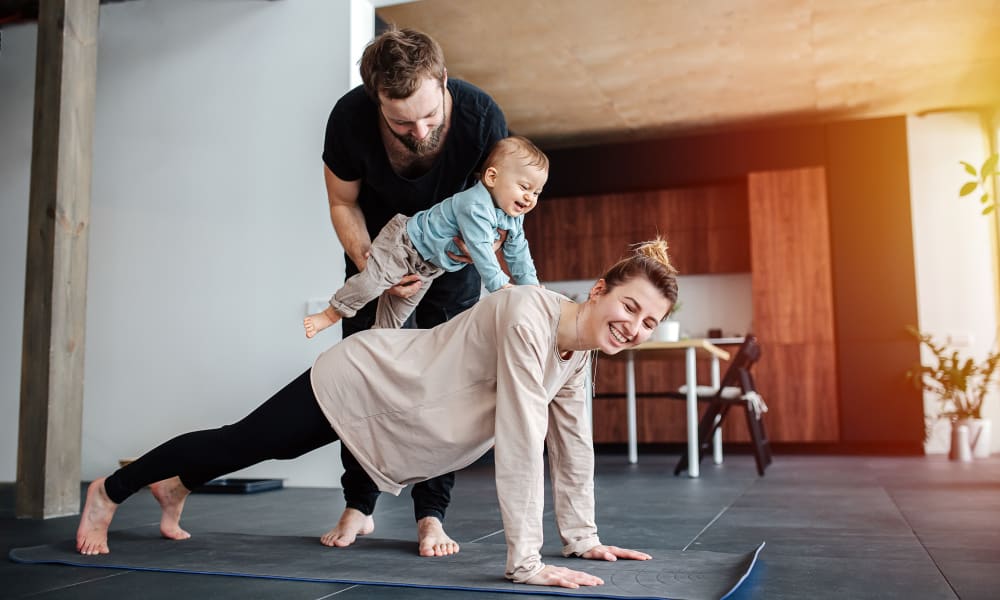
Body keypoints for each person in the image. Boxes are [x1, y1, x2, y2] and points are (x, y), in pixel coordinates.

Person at [76, 239, 680, 589]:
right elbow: (522, 440)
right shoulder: (529, 313)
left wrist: (583, 540)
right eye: (630, 306)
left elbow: (573, 449)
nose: (635, 327)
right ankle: (111, 489)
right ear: (599, 289)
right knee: (250, 443)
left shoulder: (577, 358)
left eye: (649, 323)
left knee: (264, 447)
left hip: (403, 411)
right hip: (368, 378)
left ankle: (176, 485)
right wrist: (525, 562)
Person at [321, 26, 508, 556]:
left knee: (443, 390)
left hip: (453, 271)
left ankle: (431, 515)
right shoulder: (350, 118)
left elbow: (500, 213)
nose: (419, 130)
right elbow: (342, 203)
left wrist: (452, 259)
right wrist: (371, 262)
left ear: (443, 81)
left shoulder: (480, 117)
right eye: (401, 121)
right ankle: (359, 504)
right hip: (378, 264)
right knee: (362, 381)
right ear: (375, 98)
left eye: (430, 115)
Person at [304, 135, 546, 338]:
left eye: (537, 192)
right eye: (524, 187)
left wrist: (532, 289)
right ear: (492, 177)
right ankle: (330, 314)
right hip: (403, 244)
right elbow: (480, 248)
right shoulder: (473, 205)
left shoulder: (512, 218)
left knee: (396, 317)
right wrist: (500, 285)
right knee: (372, 283)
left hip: (427, 267)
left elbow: (519, 253)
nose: (530, 198)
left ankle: (374, 343)